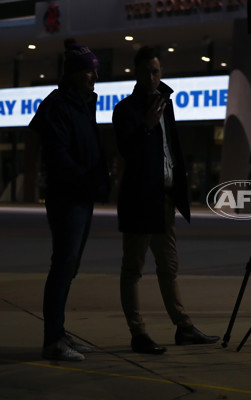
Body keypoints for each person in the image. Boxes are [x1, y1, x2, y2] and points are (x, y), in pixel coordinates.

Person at [112, 46, 219, 354]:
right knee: (133, 267)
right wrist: (145, 124)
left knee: (169, 266)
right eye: (146, 71)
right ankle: (138, 333)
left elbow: (171, 149)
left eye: (156, 71)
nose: (152, 77)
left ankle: (183, 326)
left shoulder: (166, 105)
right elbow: (126, 151)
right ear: (136, 72)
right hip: (139, 200)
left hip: (164, 200)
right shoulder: (126, 110)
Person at [29, 39, 110, 361]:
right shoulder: (59, 105)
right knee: (62, 267)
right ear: (75, 72)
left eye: (96, 71)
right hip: (68, 198)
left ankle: (59, 333)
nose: (95, 77)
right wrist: (87, 179)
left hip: (82, 196)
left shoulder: (82, 102)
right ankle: (53, 340)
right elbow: (58, 154)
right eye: (90, 71)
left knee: (69, 267)